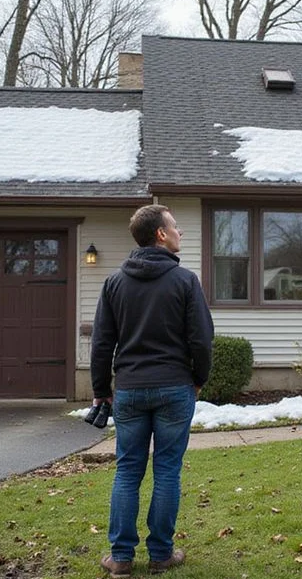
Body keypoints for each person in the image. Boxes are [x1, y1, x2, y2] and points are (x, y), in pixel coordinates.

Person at [91, 204, 213, 577]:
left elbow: (101, 344)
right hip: (175, 387)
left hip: (129, 389)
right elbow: (202, 340)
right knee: (167, 471)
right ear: (160, 234)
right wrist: (198, 379)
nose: (181, 232)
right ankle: (161, 554)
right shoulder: (185, 281)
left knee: (127, 470)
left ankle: (121, 558)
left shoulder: (114, 283)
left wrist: (101, 391)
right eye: (175, 226)